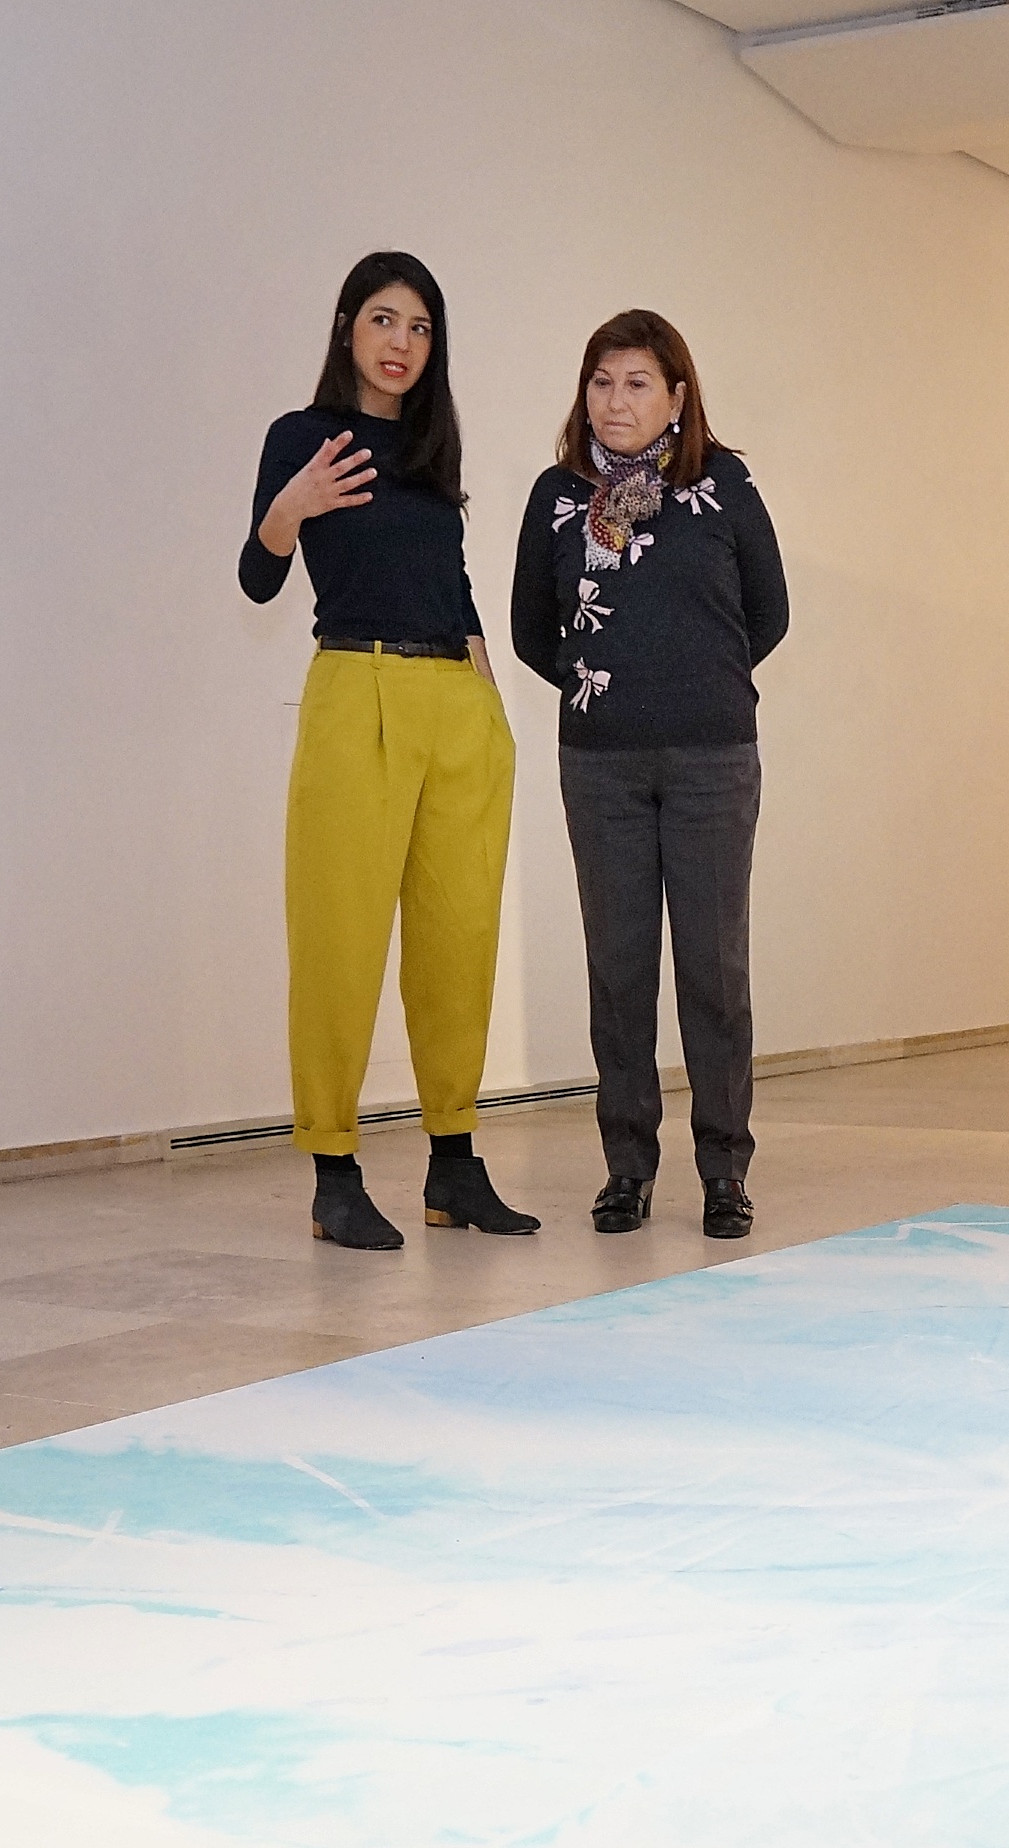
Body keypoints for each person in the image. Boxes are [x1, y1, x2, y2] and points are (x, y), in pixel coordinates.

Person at [242, 251, 536, 1251]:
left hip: (455, 702)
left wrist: (487, 704)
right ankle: (334, 1171)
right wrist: (293, 507)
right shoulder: (302, 437)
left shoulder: (427, 448)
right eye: (382, 319)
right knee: (339, 938)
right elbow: (256, 577)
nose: (400, 342)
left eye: (419, 326)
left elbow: (450, 582)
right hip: (354, 686)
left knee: (460, 939)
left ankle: (455, 1162)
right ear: (346, 328)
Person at [506, 312, 790, 1241]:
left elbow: (769, 612)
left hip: (713, 760)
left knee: (714, 969)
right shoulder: (557, 498)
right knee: (619, 971)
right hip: (600, 766)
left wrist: (693, 681)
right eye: (601, 381)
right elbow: (530, 631)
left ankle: (724, 1170)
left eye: (637, 383)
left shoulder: (724, 485)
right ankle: (626, 1167)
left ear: (676, 396)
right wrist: (607, 683)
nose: (615, 400)